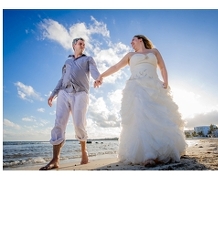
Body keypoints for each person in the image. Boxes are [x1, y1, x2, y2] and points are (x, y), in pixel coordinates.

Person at [94, 35, 186, 167]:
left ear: (140, 40)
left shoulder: (154, 52)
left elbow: (162, 67)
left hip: (154, 86)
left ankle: (166, 151)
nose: (131, 43)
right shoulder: (130, 55)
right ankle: (148, 155)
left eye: (133, 40)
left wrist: (166, 81)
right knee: (141, 117)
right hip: (136, 87)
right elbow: (115, 67)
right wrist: (101, 76)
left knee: (160, 117)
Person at [40, 38, 101, 170]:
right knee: (58, 124)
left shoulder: (88, 59)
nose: (83, 45)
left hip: (81, 93)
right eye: (80, 43)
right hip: (64, 93)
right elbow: (62, 79)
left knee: (79, 124)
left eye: (84, 44)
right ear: (74, 45)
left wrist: (98, 79)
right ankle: (55, 159)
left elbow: (94, 71)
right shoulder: (67, 62)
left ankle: (84, 151)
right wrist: (53, 94)